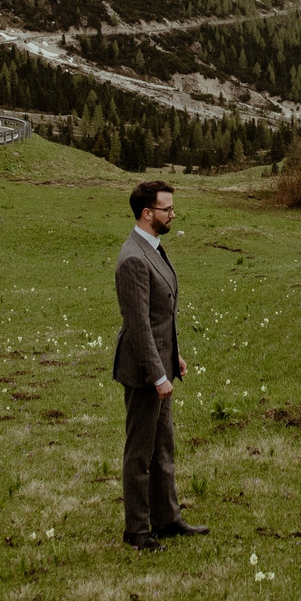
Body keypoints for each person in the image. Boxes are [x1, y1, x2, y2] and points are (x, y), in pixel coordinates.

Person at [112, 180, 208, 551]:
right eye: (167, 209)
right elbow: (138, 327)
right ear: (147, 213)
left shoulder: (152, 247)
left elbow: (160, 315)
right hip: (143, 374)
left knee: (163, 448)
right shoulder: (133, 259)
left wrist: (173, 357)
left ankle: (167, 519)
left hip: (160, 365)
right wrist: (157, 375)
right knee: (140, 453)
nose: (173, 215)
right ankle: (137, 530)